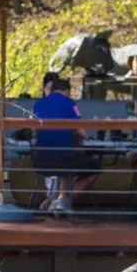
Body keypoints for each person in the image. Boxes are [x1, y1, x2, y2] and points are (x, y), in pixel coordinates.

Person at [31, 72, 101, 217]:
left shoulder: (38, 104)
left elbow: (33, 132)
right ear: (66, 92)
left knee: (66, 164)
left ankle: (57, 200)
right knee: (95, 167)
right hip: (63, 158)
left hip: (40, 159)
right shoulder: (70, 103)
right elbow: (82, 132)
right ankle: (62, 200)